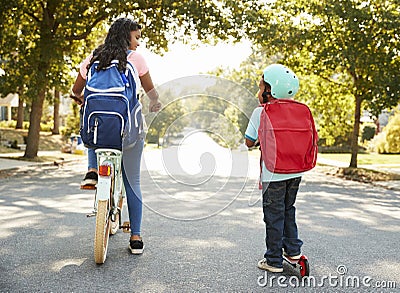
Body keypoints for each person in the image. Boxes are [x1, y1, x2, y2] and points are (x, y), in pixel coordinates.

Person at [71, 18, 161, 254]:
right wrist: (155, 102)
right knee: (133, 181)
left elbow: (76, 90)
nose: (139, 43)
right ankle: (136, 237)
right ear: (126, 37)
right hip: (129, 130)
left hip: (100, 132)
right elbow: (151, 91)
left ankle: (92, 170)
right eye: (136, 37)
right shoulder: (135, 59)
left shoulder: (94, 58)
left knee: (93, 121)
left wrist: (79, 98)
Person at [245, 64, 303, 273]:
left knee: (273, 215)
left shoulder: (260, 112)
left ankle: (273, 260)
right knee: (288, 209)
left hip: (274, 174)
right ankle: (293, 250)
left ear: (269, 91)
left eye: (260, 87)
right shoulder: (299, 111)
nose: (258, 92)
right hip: (296, 172)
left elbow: (249, 142)